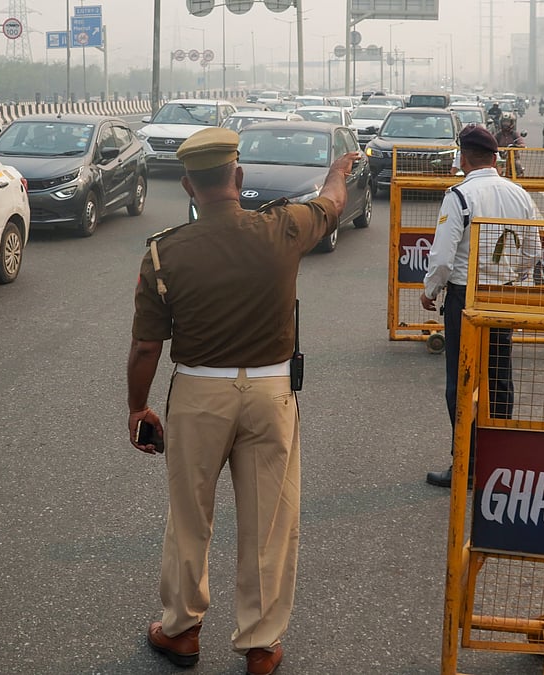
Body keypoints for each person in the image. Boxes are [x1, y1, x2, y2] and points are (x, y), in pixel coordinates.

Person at [127, 128, 360, 675]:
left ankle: (181, 631)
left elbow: (146, 346)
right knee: (269, 520)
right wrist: (338, 172)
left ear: (188, 185)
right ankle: (260, 645)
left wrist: (138, 407)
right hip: (270, 394)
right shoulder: (283, 228)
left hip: (198, 394)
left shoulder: (164, 252)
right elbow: (332, 204)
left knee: (190, 517)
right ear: (239, 176)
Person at [420, 126, 540, 489]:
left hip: (466, 299)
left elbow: (443, 258)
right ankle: (497, 464)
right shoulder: (520, 195)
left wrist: (430, 290)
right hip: (503, 298)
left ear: (463, 158)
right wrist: (514, 282)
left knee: (462, 382)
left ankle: (467, 465)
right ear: (495, 158)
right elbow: (532, 252)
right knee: (500, 378)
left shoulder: (459, 196)